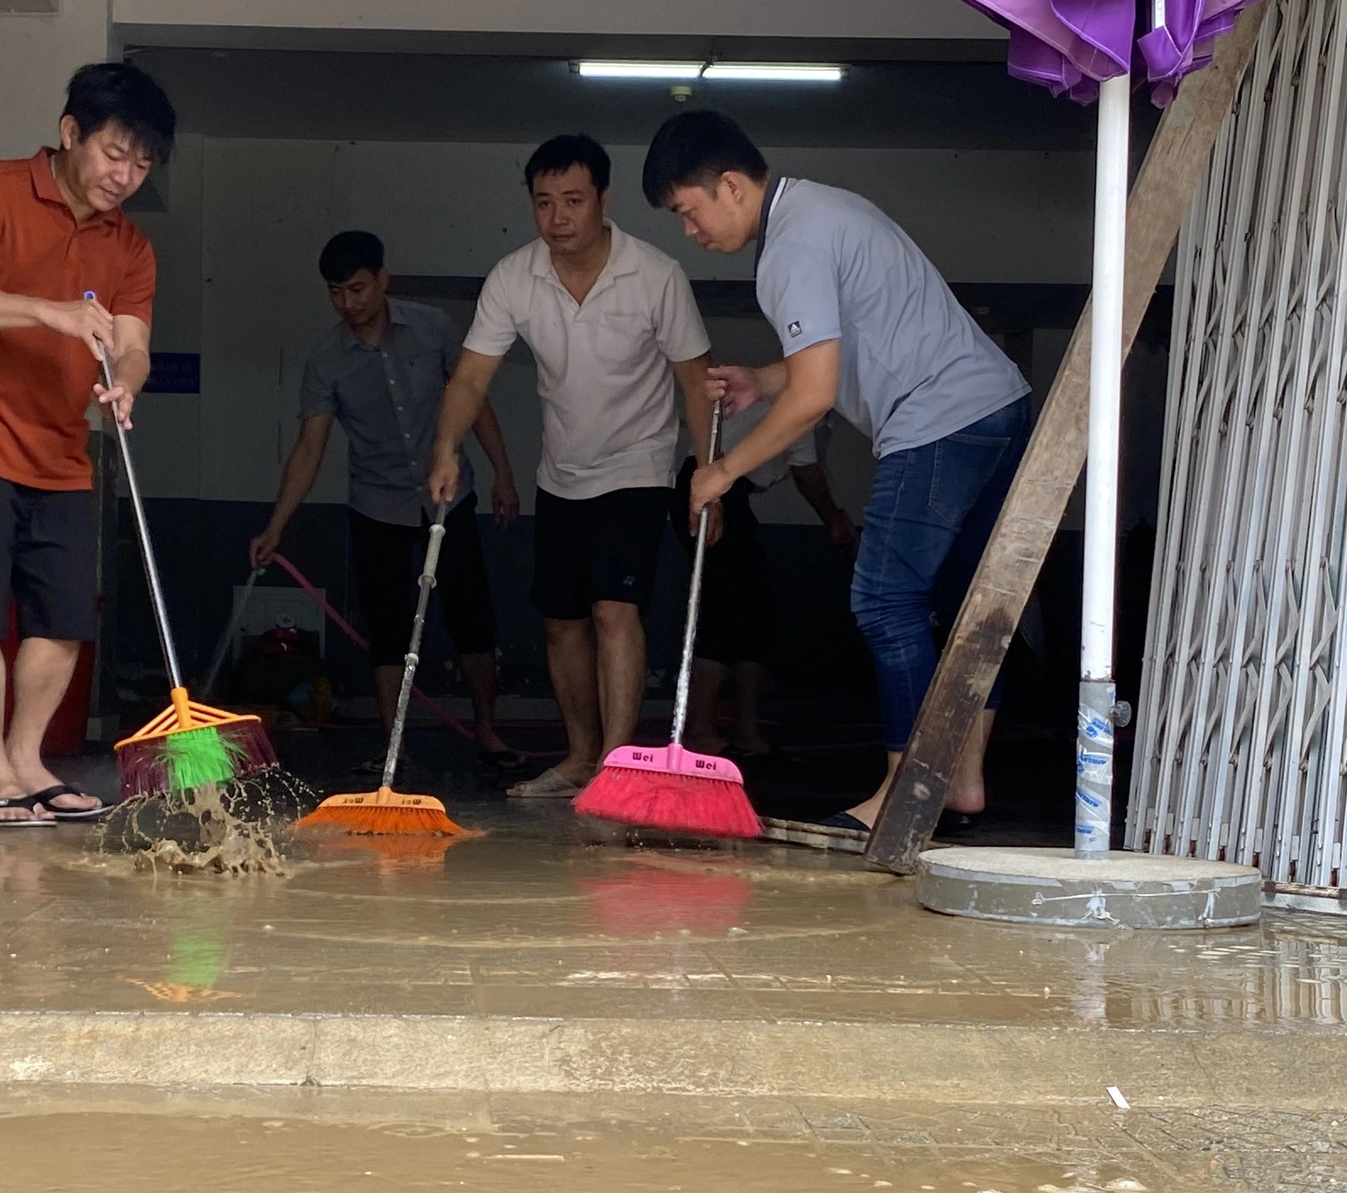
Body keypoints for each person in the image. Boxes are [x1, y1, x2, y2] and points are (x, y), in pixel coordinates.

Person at [643, 109, 1032, 833]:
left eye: (688, 213)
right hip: (996, 405)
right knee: (975, 606)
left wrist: (720, 470)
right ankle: (963, 780)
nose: (691, 234)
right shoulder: (823, 208)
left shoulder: (790, 248)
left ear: (730, 185)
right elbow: (838, 345)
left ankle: (903, 792)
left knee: (885, 601)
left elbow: (817, 394)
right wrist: (763, 379)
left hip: (940, 419)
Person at [0, 62, 174, 826]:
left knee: (62, 619)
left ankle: (27, 759)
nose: (127, 175)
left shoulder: (132, 247)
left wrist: (129, 381)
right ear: (70, 133)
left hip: (59, 450)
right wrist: (46, 313)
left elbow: (134, 340)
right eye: (115, 153)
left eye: (143, 164)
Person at [429, 134, 713, 799]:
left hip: (638, 466)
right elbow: (470, 377)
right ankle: (581, 757)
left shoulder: (655, 275)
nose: (558, 217)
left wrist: (710, 473)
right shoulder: (513, 276)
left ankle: (618, 764)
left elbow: (697, 382)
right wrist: (445, 448)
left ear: (604, 201)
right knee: (560, 620)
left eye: (574, 201)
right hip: (561, 473)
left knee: (615, 609)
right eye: (544, 203)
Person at [251, 231, 525, 772]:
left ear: (383, 280)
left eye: (357, 289)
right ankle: (393, 744)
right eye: (336, 293)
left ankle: (488, 731)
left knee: (474, 619)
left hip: (452, 500)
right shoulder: (327, 359)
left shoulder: (433, 327)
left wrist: (504, 476)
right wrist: (276, 526)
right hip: (378, 509)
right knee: (388, 631)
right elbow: (310, 449)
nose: (348, 304)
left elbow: (476, 403)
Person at [669, 400, 849, 758]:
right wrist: (834, 518)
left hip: (729, 491)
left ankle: (744, 730)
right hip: (714, 487)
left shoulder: (815, 413)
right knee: (724, 605)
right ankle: (699, 728)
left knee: (756, 608)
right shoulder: (799, 399)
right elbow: (805, 471)